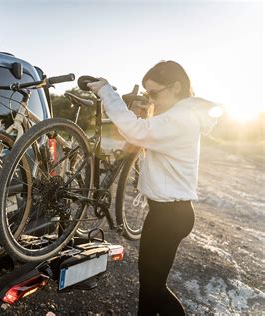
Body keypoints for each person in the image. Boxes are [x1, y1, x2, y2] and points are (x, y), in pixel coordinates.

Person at [87, 60, 220, 315]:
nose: (152, 100)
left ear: (176, 87)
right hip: (167, 214)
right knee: (150, 287)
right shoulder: (180, 115)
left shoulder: (180, 119)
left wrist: (107, 91)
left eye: (154, 93)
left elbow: (137, 132)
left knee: (153, 288)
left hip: (170, 216)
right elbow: (140, 138)